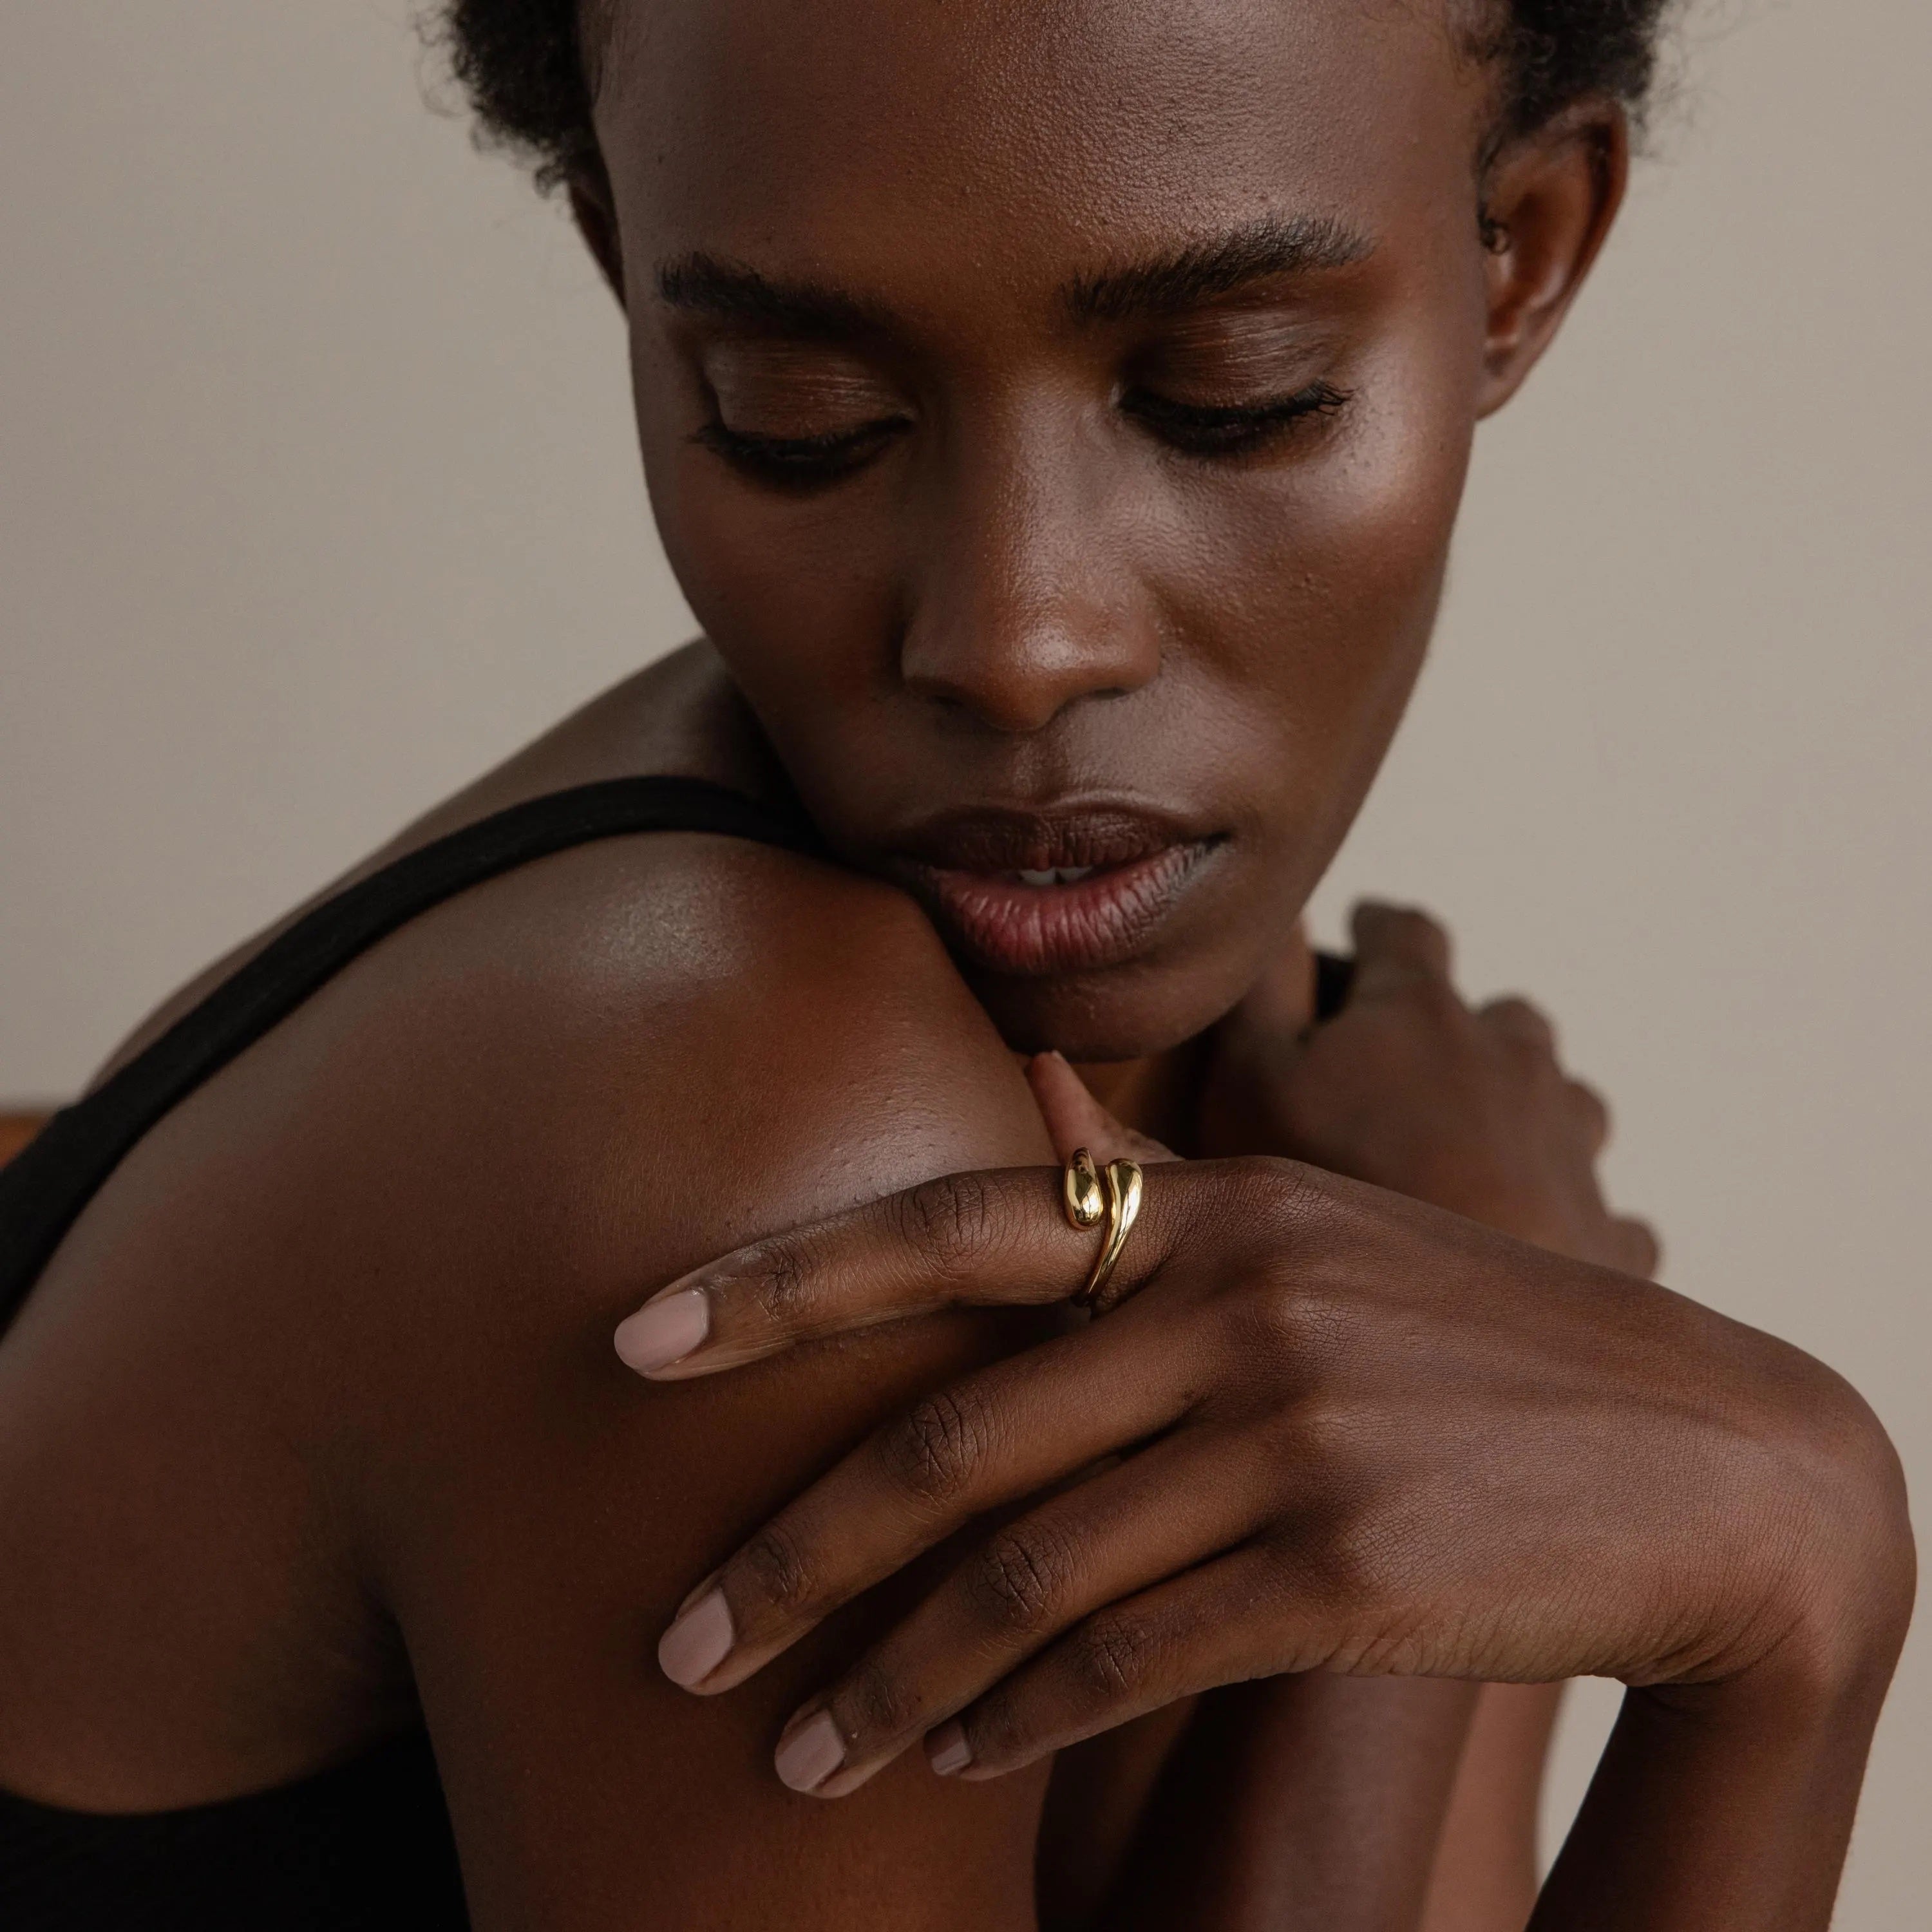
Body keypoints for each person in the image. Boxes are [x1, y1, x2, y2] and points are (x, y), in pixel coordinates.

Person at [0, 2, 1910, 1928]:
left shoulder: (1242, 1081)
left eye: (1229, 392)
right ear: (626, 285)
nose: (1016, 638)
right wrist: (1793, 1576)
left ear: (1523, 249)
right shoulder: (745, 1126)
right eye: (798, 415)